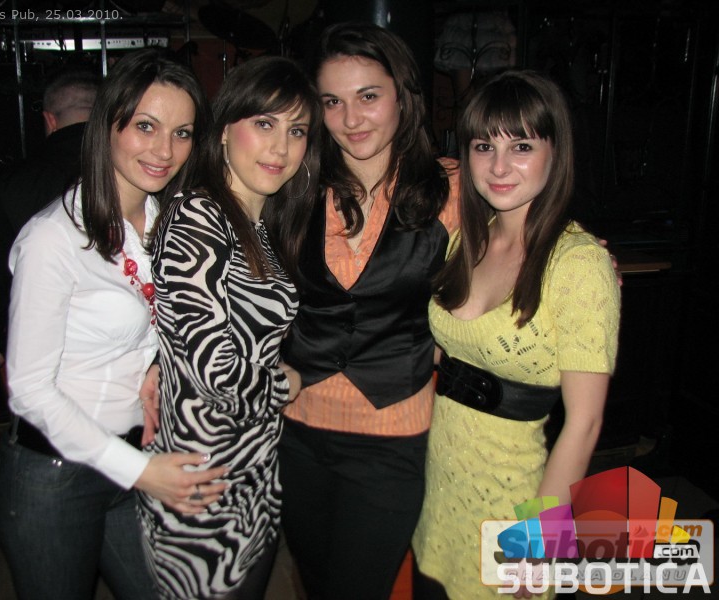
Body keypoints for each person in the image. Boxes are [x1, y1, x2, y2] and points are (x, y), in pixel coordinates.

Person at [0, 48, 227, 600]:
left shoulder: (166, 224)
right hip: (56, 473)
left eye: (182, 133)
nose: (164, 151)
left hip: (137, 456)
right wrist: (140, 471)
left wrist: (157, 364)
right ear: (108, 125)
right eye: (146, 126)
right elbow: (28, 390)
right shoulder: (54, 238)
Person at [411, 70, 621, 599]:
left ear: (556, 153)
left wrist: (537, 550)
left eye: (522, 146)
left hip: (516, 501)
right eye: (484, 146)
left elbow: (585, 424)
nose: (499, 166)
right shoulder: (465, 240)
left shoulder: (578, 265)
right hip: (439, 490)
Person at [277, 22, 461, 600]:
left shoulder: (452, 188)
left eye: (368, 96)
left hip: (392, 437)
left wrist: (580, 255)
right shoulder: (295, 184)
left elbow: (529, 226)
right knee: (316, 584)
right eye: (332, 101)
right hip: (297, 431)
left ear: (403, 96)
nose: (351, 118)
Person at [138, 55, 322, 600]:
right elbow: (215, 372)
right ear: (223, 131)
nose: (280, 147)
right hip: (203, 483)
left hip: (249, 473)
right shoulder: (199, 216)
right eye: (264, 123)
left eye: (297, 131)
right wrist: (288, 382)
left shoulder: (256, 224)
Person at [0, 66, 100, 371]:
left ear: (49, 120)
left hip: (43, 356)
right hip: (124, 356)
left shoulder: (13, 184)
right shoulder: (137, 176)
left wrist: (2, 341)